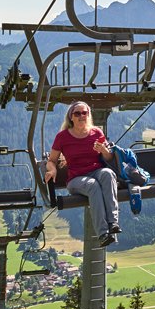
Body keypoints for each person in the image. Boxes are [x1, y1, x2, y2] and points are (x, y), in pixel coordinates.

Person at [44, 101, 120, 247]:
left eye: (84, 113)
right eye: (77, 113)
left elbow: (109, 159)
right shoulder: (63, 137)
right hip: (76, 179)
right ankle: (103, 233)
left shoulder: (96, 133)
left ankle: (113, 223)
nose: (81, 116)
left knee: (108, 174)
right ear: (71, 117)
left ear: (88, 115)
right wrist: (52, 170)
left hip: (96, 171)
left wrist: (103, 151)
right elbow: (51, 160)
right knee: (93, 186)